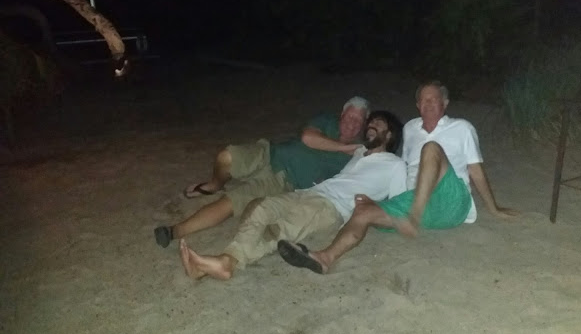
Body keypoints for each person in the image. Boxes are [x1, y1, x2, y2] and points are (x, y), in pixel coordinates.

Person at [278, 80, 518, 275]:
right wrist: (378, 201)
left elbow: (475, 170)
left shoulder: (462, 128)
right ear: (418, 105)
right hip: (415, 201)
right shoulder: (410, 129)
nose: (428, 104)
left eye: (434, 99)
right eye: (424, 100)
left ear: (445, 103)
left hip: (449, 201)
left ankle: (412, 217)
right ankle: (324, 258)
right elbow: (404, 170)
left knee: (431, 149)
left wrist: (494, 209)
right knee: (363, 210)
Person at [178, 110, 407, 280]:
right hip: (312, 192)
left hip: (332, 207)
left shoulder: (395, 165)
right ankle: (220, 264)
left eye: (378, 123)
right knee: (261, 208)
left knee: (279, 229)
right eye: (370, 122)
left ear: (389, 135)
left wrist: (372, 204)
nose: (371, 125)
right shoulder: (358, 152)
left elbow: (399, 206)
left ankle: (226, 262)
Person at [154, 96, 370, 248]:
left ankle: (173, 231)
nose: (351, 124)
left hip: (282, 180)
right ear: (342, 114)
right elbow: (308, 138)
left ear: (363, 125)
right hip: (270, 152)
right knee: (226, 157)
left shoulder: (358, 156)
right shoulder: (327, 121)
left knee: (231, 203)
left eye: (358, 120)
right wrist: (343, 147)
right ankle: (215, 184)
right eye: (349, 116)